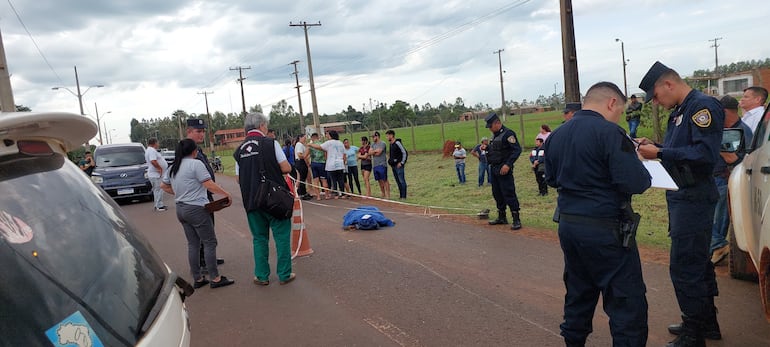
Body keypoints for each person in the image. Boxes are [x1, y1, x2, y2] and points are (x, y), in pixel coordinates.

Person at [544, 81, 651, 347]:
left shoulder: (556, 135)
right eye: (619, 111)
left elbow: (552, 179)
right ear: (612, 103)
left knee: (579, 293)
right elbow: (636, 183)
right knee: (626, 302)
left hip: (569, 226)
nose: (618, 117)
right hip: (606, 230)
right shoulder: (611, 134)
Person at [637, 61, 724, 346]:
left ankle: (693, 333)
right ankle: (706, 321)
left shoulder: (702, 108)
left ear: (668, 84)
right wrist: (657, 148)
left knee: (685, 266)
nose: (658, 103)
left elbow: (704, 154)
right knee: (697, 263)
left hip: (694, 197)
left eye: (657, 96)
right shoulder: (681, 110)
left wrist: (661, 153)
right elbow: (680, 150)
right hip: (684, 196)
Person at [161, 138, 234, 289]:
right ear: (194, 151)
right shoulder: (196, 164)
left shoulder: (173, 167)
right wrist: (226, 194)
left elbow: (164, 186)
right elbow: (208, 184)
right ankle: (215, 278)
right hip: (196, 209)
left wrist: (179, 193)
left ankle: (198, 278)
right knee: (209, 242)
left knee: (193, 243)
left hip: (181, 208)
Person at [233, 112, 295, 286]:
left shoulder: (239, 150)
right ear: (261, 126)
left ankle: (261, 275)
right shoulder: (270, 143)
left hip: (252, 200)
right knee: (281, 236)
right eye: (266, 125)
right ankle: (284, 274)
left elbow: (238, 178)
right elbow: (286, 167)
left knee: (259, 238)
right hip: (274, 199)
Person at [710, 95, 753, 265]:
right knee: (716, 219)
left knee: (714, 219)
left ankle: (718, 245)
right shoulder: (725, 129)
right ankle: (718, 249)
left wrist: (714, 144)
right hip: (717, 179)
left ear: (725, 111)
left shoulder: (742, 131)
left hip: (726, 179)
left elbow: (734, 159)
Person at [185, 119, 225, 270]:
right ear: (189, 131)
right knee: (202, 235)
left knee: (208, 230)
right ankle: (204, 264)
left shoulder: (197, 149)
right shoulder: (187, 150)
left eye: (203, 131)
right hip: (197, 197)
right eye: (198, 131)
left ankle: (209, 259)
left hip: (205, 196)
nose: (201, 134)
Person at [484, 112, 523, 230]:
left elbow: (517, 150)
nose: (490, 129)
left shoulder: (508, 134)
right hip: (494, 169)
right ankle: (502, 217)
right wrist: (486, 148)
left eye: (491, 126)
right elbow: (496, 150)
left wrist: (508, 164)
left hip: (504, 169)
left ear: (497, 123)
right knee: (497, 193)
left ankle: (516, 219)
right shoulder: (494, 136)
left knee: (508, 193)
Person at [308, 130, 347, 199]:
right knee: (341, 179)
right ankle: (343, 193)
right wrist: (343, 162)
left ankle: (336, 194)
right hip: (340, 164)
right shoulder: (340, 143)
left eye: (328, 135)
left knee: (334, 180)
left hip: (332, 164)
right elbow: (344, 154)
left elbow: (319, 147)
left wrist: (311, 144)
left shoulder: (329, 143)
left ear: (331, 136)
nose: (327, 136)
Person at [145, 138, 168, 212]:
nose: (158, 144)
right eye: (157, 143)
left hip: (155, 174)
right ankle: (159, 206)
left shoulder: (150, 150)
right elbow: (153, 161)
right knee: (159, 189)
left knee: (157, 189)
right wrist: (159, 168)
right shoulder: (151, 150)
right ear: (154, 143)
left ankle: (158, 204)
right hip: (156, 174)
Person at [386, 130, 408, 199]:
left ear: (391, 135)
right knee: (398, 181)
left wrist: (402, 162)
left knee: (402, 180)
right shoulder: (391, 144)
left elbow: (404, 152)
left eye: (387, 136)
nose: (387, 138)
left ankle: (404, 196)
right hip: (393, 166)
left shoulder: (397, 143)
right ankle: (401, 195)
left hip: (399, 166)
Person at [369, 131, 390, 198]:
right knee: (379, 180)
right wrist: (375, 151)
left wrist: (373, 152)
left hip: (382, 164)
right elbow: (369, 152)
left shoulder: (382, 143)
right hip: (375, 164)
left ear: (377, 136)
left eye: (373, 137)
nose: (372, 138)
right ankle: (383, 193)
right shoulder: (372, 144)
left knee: (384, 179)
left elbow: (379, 153)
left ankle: (388, 194)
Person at [309, 133, 329, 200]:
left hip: (314, 163)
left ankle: (318, 196)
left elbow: (305, 155)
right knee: (324, 180)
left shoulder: (311, 145)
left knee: (315, 180)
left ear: (312, 138)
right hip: (322, 163)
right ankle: (326, 195)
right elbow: (326, 153)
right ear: (318, 137)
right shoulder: (322, 144)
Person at [294, 134, 313, 200]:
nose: (305, 139)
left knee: (303, 178)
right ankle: (302, 194)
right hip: (300, 162)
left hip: (302, 162)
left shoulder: (301, 145)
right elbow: (300, 155)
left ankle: (304, 192)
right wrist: (306, 154)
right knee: (301, 178)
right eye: (304, 138)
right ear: (300, 138)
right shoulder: (299, 144)